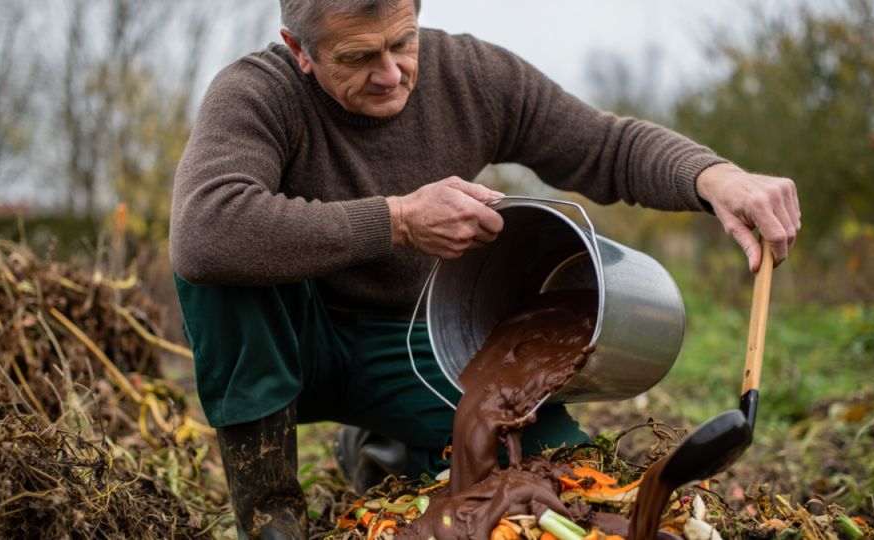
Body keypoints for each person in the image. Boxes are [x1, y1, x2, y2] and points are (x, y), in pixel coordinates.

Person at [168, 0, 801, 537]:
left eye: (402, 43)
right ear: (299, 50)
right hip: (288, 342)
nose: (390, 74)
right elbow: (203, 230)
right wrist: (397, 220)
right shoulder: (258, 92)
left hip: (411, 340)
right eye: (358, 57)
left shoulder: (471, 76)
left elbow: (604, 146)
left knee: (555, 466)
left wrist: (714, 176)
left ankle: (384, 447)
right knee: (219, 266)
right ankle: (272, 516)